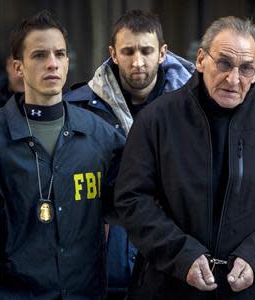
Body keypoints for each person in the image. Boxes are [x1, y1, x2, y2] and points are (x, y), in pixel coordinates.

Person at [115, 16, 255, 300]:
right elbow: (132, 199)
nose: (233, 78)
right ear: (201, 60)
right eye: (224, 63)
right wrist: (183, 256)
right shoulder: (157, 119)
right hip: (170, 286)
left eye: (246, 68)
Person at [63, 9, 195, 298]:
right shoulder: (77, 109)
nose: (137, 61)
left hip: (173, 268)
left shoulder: (194, 109)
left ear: (162, 53)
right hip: (100, 268)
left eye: (146, 51)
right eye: (128, 51)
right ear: (113, 53)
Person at [0, 11, 124, 299]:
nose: (52, 63)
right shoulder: (0, 137)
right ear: (18, 67)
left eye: (60, 54)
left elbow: (135, 204)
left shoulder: (101, 135)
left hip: (87, 292)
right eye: (40, 55)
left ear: (68, 62)